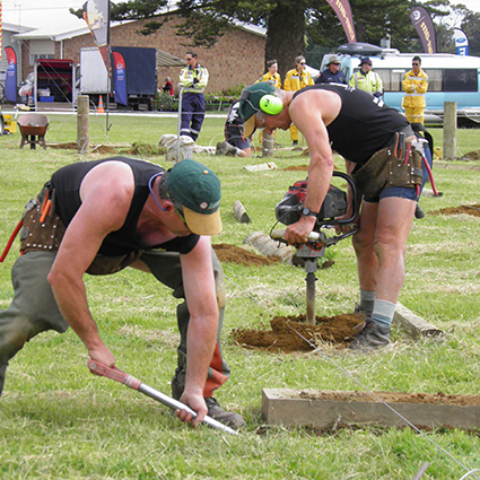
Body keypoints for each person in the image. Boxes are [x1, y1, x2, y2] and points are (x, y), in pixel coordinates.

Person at [0, 157, 245, 430]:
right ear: (167, 208)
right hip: (64, 226)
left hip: (131, 238)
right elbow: (63, 275)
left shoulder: (185, 218)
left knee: (211, 283)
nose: (198, 232)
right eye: (193, 224)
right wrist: (94, 343)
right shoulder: (115, 192)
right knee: (31, 313)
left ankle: (194, 396)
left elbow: (204, 311)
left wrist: (196, 387)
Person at [238, 82, 432, 351]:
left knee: (387, 242)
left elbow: (323, 161)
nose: (268, 130)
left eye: (262, 123)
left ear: (270, 104)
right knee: (362, 240)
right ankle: (366, 313)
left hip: (402, 154)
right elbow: (351, 150)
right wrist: (353, 205)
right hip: (373, 161)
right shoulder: (310, 102)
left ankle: (379, 333)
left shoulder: (301, 105)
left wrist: (308, 218)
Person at [283, 55, 314, 146]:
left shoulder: (306, 74)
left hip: (304, 100)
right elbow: (287, 86)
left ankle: (308, 139)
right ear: (297, 64)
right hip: (294, 99)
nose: (303, 65)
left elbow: (311, 85)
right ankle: (294, 140)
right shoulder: (290, 74)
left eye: (304, 64)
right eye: (302, 63)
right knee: (293, 121)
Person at [179, 52, 209, 141]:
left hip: (199, 96)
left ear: (195, 58)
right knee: (186, 117)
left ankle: (192, 140)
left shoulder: (203, 70)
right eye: (186, 59)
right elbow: (183, 82)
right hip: (187, 96)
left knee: (198, 118)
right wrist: (194, 81)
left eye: (189, 59)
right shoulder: (184, 70)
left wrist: (191, 83)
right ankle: (184, 140)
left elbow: (203, 83)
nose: (187, 61)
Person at [255, 59, 282, 146]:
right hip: (267, 101)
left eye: (276, 67)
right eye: (273, 67)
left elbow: (279, 87)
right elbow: (256, 84)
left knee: (274, 120)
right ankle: (262, 140)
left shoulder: (277, 76)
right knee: (265, 120)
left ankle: (272, 140)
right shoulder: (265, 77)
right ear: (269, 68)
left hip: (275, 101)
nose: (275, 69)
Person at [402, 56, 429, 124]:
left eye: (416, 64)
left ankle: (418, 134)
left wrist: (411, 87)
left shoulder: (424, 76)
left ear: (420, 65)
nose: (414, 66)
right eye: (413, 64)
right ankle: (408, 134)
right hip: (408, 103)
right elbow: (406, 88)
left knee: (418, 122)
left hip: (419, 104)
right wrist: (417, 87)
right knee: (407, 122)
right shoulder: (407, 75)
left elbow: (423, 89)